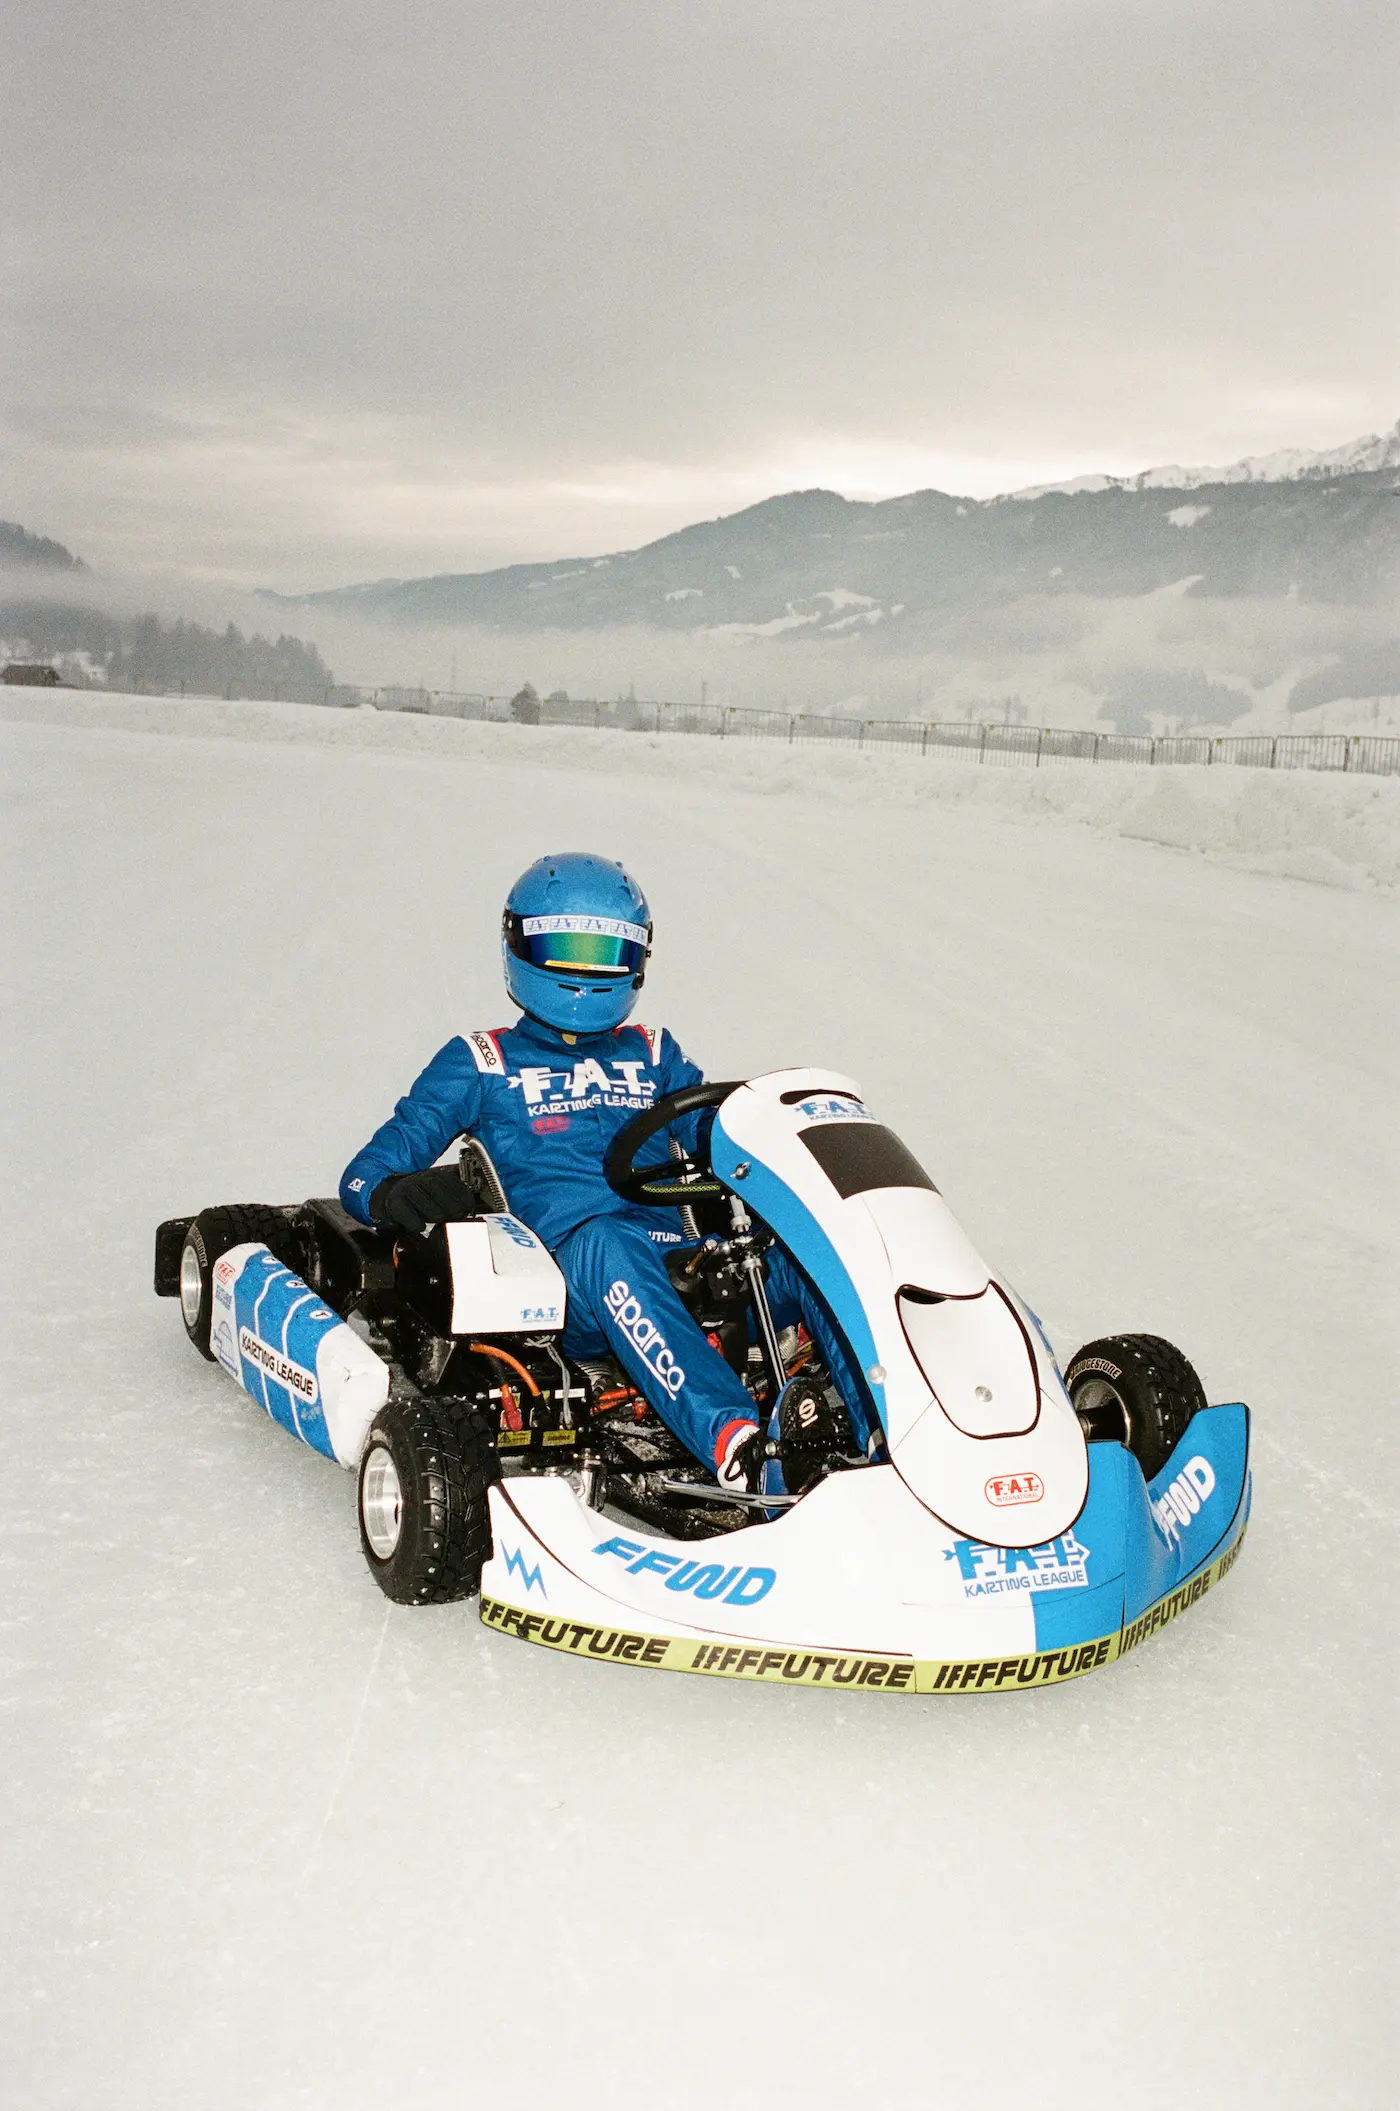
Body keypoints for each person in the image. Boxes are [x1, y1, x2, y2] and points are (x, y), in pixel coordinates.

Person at [339, 852, 864, 1492]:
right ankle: (741, 1447)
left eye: (605, 952)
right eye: (566, 945)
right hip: (573, 1286)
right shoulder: (481, 1060)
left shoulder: (653, 1051)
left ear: (637, 961)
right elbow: (364, 1179)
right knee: (609, 1243)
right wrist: (398, 1196)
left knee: (816, 1254)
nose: (586, 970)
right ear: (521, 944)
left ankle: (882, 1431)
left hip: (686, 1262)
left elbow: (722, 1134)